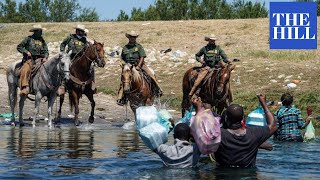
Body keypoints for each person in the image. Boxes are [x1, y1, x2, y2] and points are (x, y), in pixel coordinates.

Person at [214, 94, 277, 168]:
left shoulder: (218, 134)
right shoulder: (254, 134)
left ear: (226, 118)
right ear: (243, 119)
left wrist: (199, 110)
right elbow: (273, 126)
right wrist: (264, 104)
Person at [116, 31, 163, 106]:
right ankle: (121, 98)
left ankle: (157, 89)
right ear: (129, 38)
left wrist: (138, 66)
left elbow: (142, 57)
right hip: (128, 66)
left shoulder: (139, 47)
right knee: (125, 79)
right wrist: (123, 64)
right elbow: (122, 58)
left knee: (150, 73)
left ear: (135, 38)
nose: (132, 38)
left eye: (134, 37)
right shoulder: (125, 48)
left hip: (139, 65)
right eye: (131, 37)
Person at [59, 25, 95, 95]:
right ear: (77, 31)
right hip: (71, 56)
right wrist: (62, 53)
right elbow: (63, 44)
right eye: (81, 31)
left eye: (82, 31)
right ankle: (62, 84)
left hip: (81, 58)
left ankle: (92, 83)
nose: (82, 32)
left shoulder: (84, 39)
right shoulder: (70, 37)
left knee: (91, 66)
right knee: (65, 66)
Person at [17, 24, 49, 96]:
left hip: (40, 59)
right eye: (40, 31)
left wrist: (45, 57)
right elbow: (19, 47)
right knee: (25, 69)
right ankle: (24, 87)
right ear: (36, 31)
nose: (41, 32)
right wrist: (26, 52)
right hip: (29, 60)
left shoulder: (42, 40)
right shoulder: (28, 39)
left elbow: (46, 51)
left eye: (41, 31)